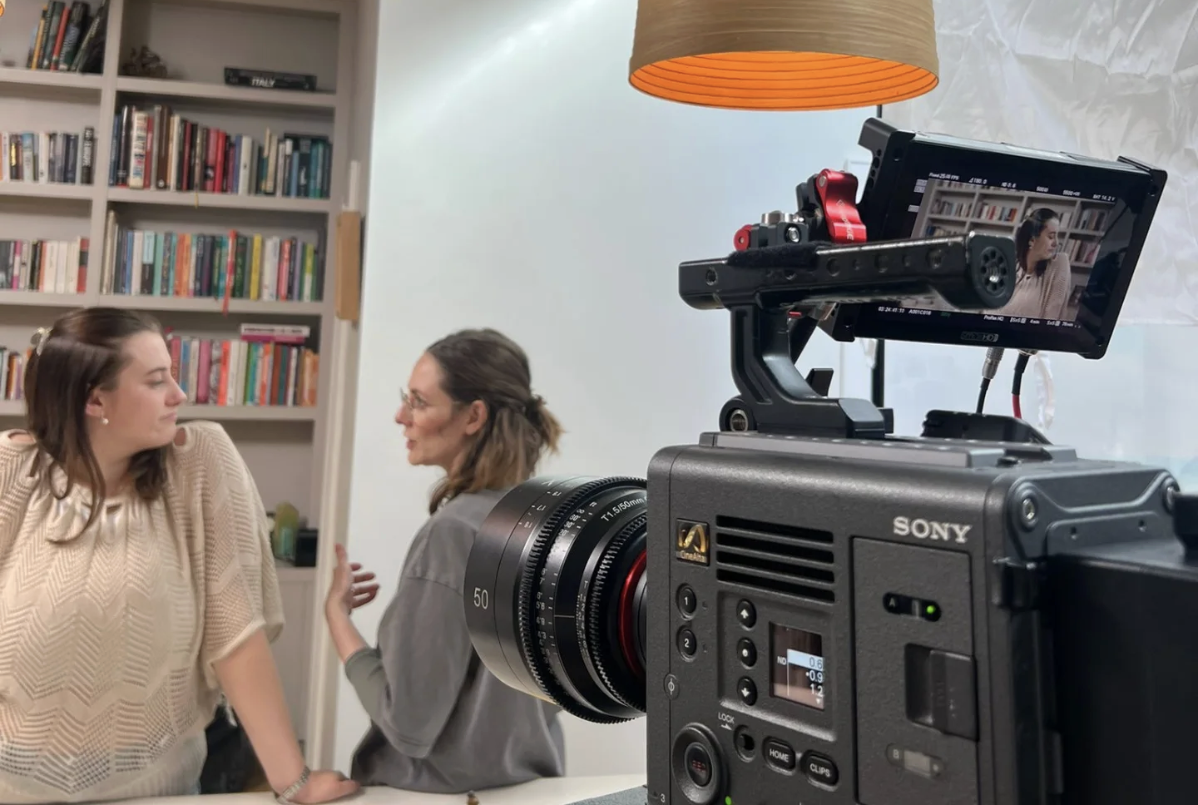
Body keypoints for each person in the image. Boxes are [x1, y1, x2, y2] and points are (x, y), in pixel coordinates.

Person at [0, 308, 359, 805]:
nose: (180, 394)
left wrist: (294, 782)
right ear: (94, 399)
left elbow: (237, 638)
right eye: (156, 381)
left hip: (159, 792)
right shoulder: (11, 474)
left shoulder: (199, 464)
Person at [323, 327, 567, 794]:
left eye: (418, 401)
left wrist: (339, 621)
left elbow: (409, 725)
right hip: (532, 789)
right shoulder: (547, 521)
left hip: (437, 794)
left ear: (473, 415)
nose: (401, 416)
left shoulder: (453, 534)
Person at [1000, 207, 1073, 321]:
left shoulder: (1059, 263)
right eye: (1051, 237)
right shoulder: (1007, 264)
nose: (1056, 243)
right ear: (1032, 240)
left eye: (1057, 236)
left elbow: (1051, 320)